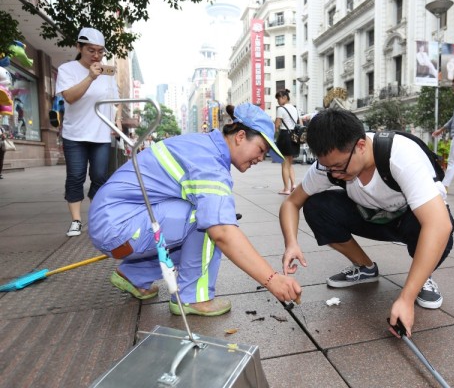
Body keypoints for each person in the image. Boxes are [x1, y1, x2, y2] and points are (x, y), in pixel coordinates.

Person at [89, 103, 302, 316]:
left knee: (203, 218)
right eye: (261, 149)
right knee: (205, 220)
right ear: (240, 136)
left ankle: (134, 274)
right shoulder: (209, 162)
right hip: (118, 229)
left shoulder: (204, 146)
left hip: (116, 223)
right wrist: (273, 280)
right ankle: (193, 298)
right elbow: (222, 233)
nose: (260, 158)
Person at [279, 108, 454, 336]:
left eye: (340, 167)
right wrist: (291, 243)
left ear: (361, 146)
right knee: (316, 206)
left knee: (435, 228)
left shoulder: (400, 155)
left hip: (413, 220)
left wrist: (406, 298)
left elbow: (439, 225)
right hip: (373, 217)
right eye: (329, 167)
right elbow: (291, 203)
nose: (335, 173)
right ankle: (365, 268)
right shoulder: (330, 165)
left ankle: (422, 279)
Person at [56, 27, 122, 237]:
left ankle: (95, 218)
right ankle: (76, 220)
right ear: (79, 47)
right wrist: (90, 77)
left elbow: (115, 101)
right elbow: (70, 97)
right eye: (91, 50)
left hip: (101, 134)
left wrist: (117, 121)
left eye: (100, 51)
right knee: (75, 176)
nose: (96, 56)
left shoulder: (107, 74)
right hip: (74, 134)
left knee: (100, 176)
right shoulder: (67, 69)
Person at [274, 89, 302, 195]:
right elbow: (300, 123)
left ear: (284, 97)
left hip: (285, 136)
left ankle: (286, 189)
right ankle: (293, 184)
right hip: (295, 137)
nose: (278, 101)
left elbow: (277, 125)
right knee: (290, 163)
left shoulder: (281, 109)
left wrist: (275, 133)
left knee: (284, 164)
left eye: (278, 99)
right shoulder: (295, 108)